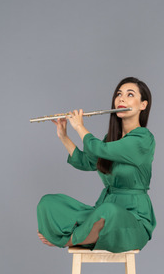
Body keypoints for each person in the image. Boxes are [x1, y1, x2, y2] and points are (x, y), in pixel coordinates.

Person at [37, 77, 156, 253]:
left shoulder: (143, 139)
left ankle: (68, 239)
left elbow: (97, 148)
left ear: (143, 105)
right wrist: (64, 136)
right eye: (119, 94)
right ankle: (89, 236)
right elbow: (87, 161)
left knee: (108, 212)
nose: (121, 99)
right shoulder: (112, 139)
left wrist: (79, 127)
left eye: (129, 95)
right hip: (103, 210)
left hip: (133, 221)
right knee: (48, 203)